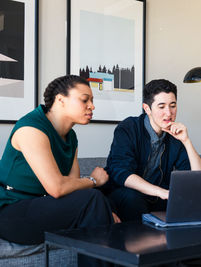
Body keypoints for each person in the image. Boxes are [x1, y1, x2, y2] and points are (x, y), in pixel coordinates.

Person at [0, 75, 117, 267]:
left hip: (42, 206)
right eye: (84, 99)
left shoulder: (70, 136)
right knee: (93, 199)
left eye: (92, 101)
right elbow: (57, 188)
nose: (92, 106)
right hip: (12, 212)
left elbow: (73, 185)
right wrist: (94, 180)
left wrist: (106, 209)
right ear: (60, 100)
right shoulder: (31, 128)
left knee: (114, 200)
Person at [105, 79, 201, 222]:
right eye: (161, 107)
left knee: (194, 199)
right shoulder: (129, 128)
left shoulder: (174, 136)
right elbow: (121, 173)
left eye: (173, 106)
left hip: (156, 198)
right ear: (147, 109)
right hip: (124, 194)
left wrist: (186, 141)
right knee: (133, 198)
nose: (169, 113)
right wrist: (162, 192)